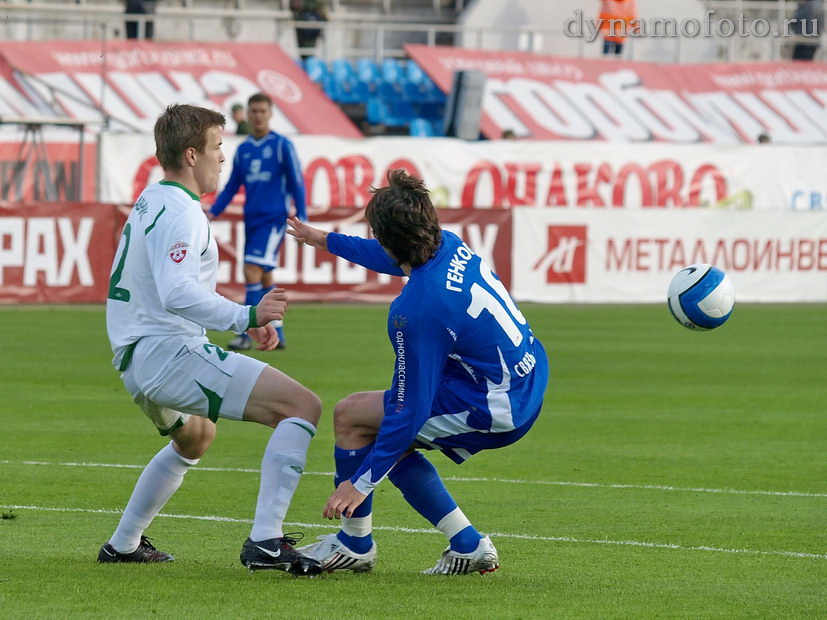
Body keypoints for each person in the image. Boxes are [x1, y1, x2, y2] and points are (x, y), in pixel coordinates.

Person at [286, 170, 549, 575]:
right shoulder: (448, 244)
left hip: (496, 403)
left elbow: (409, 410)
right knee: (380, 427)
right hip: (523, 374)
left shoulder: (417, 311)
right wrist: (326, 240)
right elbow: (396, 256)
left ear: (388, 238)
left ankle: (355, 542)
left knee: (354, 418)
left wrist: (360, 482)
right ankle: (466, 544)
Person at [100, 104, 322, 577]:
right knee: (302, 407)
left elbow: (175, 286)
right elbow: (177, 292)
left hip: (134, 356)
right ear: (191, 153)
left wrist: (242, 320)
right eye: (218, 146)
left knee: (196, 435)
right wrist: (246, 314)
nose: (224, 157)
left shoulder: (151, 198)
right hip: (167, 351)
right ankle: (265, 542)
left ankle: (123, 544)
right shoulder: (183, 212)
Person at [208, 93, 306, 351]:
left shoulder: (281, 145)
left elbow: (297, 182)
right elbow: (232, 186)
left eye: (262, 111)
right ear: (248, 114)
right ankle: (278, 332)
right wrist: (214, 211)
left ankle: (245, 331)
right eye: (254, 111)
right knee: (263, 275)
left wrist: (302, 219)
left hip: (273, 219)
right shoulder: (244, 149)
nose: (258, 116)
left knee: (251, 269)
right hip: (251, 218)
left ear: (270, 113)